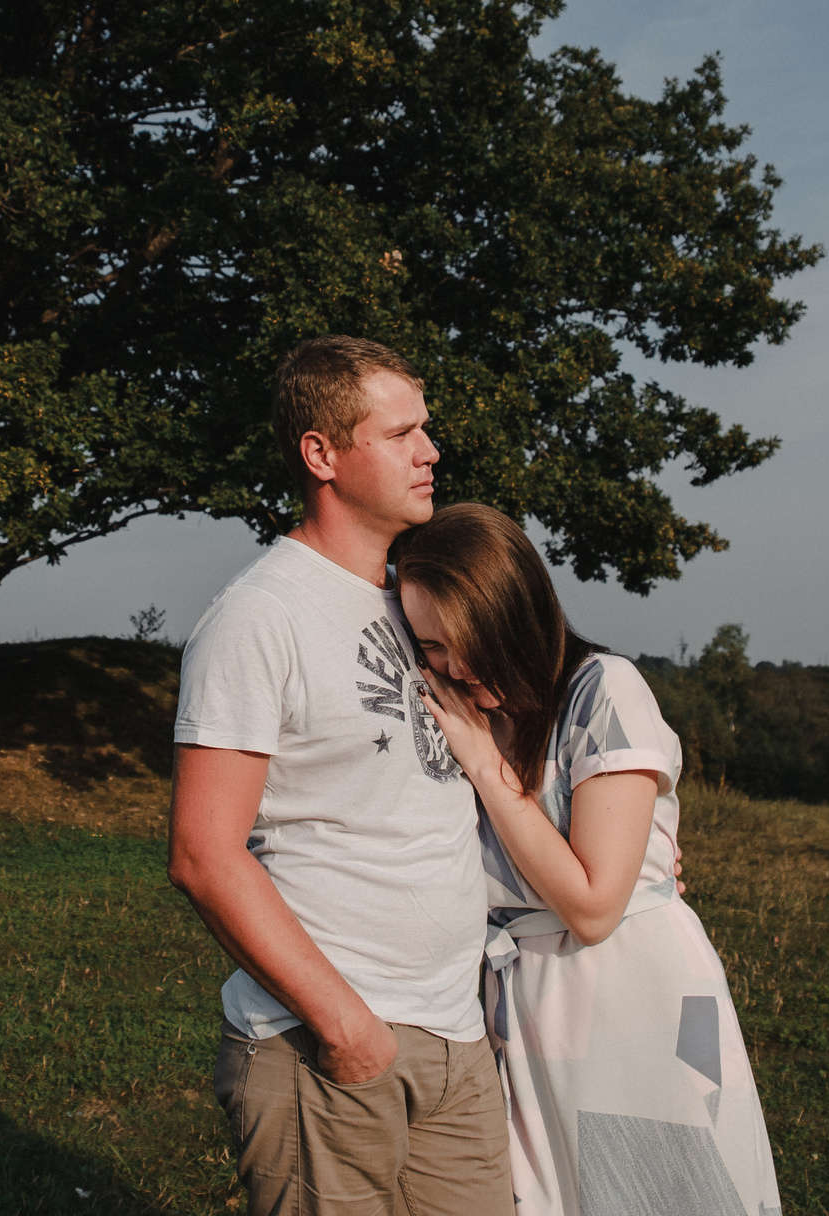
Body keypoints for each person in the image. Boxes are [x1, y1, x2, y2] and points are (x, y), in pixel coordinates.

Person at [169, 336, 512, 1216]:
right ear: (321, 454)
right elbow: (205, 856)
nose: (430, 452)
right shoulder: (259, 616)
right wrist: (344, 1026)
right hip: (328, 1048)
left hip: (457, 1039)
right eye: (401, 434)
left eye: (425, 430)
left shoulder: (419, 601)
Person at [400, 503, 782, 1216]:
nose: (453, 666)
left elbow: (595, 906)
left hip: (637, 997)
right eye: (431, 646)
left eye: (465, 641)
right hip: (529, 1005)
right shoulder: (473, 716)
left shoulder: (604, 691)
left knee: (668, 1198)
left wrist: (487, 768)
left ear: (515, 614)